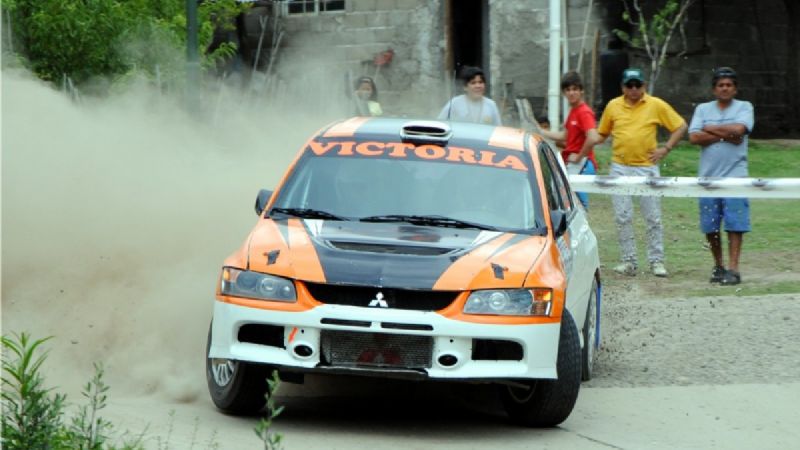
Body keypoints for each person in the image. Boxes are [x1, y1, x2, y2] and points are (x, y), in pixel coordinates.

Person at [596, 67, 688, 277]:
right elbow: (601, 133)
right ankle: (629, 261)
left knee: (653, 217)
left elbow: (680, 126)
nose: (634, 89)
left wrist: (666, 148)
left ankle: (656, 261)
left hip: (646, 167)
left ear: (644, 86)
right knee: (622, 216)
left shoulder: (655, 104)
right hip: (619, 167)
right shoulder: (613, 106)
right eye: (630, 85)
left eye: (638, 85)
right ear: (623, 87)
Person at [688, 67, 754, 286]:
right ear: (714, 89)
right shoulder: (703, 109)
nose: (725, 88)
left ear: (735, 89)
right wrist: (728, 134)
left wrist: (711, 129)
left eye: (729, 85)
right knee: (711, 226)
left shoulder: (745, 107)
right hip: (708, 178)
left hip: (735, 177)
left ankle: (734, 269)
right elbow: (695, 137)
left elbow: (740, 131)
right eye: (721, 85)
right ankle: (718, 266)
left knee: (735, 224)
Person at [539, 71, 600, 209]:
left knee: (578, 206)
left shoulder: (584, 112)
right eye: (568, 90)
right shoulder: (573, 111)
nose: (571, 93)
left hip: (582, 165)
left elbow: (593, 137)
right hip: (573, 164)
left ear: (581, 90)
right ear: (564, 93)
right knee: (568, 205)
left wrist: (579, 157)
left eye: (575, 89)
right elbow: (564, 136)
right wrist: (541, 132)